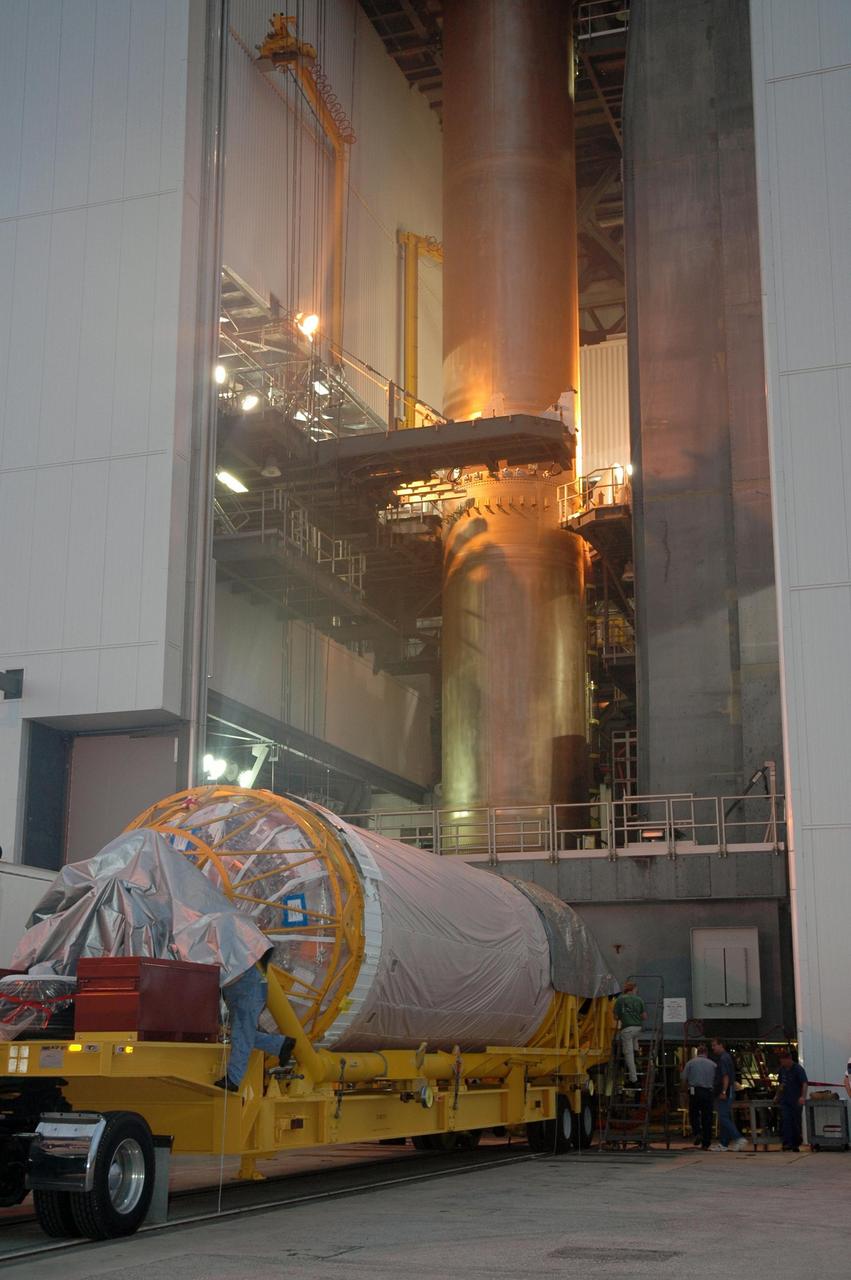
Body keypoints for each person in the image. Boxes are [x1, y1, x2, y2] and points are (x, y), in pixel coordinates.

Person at [214, 951, 295, 1092]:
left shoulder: (227, 948)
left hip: (245, 989)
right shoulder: (236, 945)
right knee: (243, 1032)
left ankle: (233, 1080)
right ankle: (280, 1044)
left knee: (241, 1034)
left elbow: (231, 974)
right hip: (246, 988)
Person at [710, 1037, 747, 1151]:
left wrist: (723, 1091)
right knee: (724, 1117)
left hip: (725, 1091)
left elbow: (725, 1076)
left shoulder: (724, 1058)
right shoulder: (725, 1058)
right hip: (726, 1090)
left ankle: (738, 1138)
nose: (713, 1048)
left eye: (714, 1045)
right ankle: (724, 1143)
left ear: (721, 1045)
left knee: (723, 1117)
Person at [681, 1043, 716, 1150]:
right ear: (706, 1053)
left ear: (697, 1052)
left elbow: (684, 1079)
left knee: (694, 1114)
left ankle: (697, 1132)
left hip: (694, 1092)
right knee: (707, 1117)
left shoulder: (690, 1063)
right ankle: (706, 1142)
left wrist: (683, 1091)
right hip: (708, 1092)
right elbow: (716, 1080)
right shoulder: (713, 1064)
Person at [614, 980, 647, 1085]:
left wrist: (623, 1016)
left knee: (628, 1054)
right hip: (638, 1028)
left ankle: (633, 1078)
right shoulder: (639, 999)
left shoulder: (619, 1000)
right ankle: (636, 1049)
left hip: (627, 1029)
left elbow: (615, 1016)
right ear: (633, 989)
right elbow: (644, 1016)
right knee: (634, 1036)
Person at [775, 1048, 807, 1151]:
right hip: (785, 1100)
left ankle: (796, 1143)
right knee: (786, 1120)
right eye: (781, 1062)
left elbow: (804, 1083)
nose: (783, 1063)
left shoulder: (798, 1069)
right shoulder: (782, 1070)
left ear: (789, 1059)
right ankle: (787, 1142)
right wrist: (777, 1095)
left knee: (795, 1122)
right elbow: (781, 1084)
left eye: (784, 1061)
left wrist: (802, 1096)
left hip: (796, 1100)